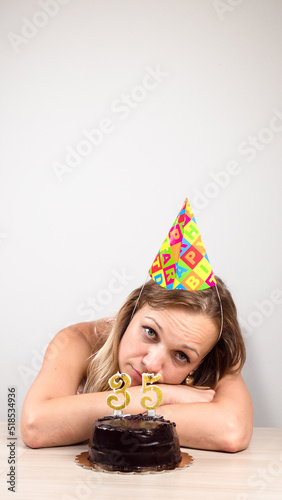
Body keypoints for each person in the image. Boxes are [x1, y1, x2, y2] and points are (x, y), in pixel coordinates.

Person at [20, 276, 253, 452]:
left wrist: (102, 415)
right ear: (130, 313)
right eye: (150, 332)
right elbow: (36, 425)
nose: (151, 363)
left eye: (181, 355)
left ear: (199, 362)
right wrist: (160, 394)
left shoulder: (214, 360)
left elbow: (231, 431)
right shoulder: (80, 340)